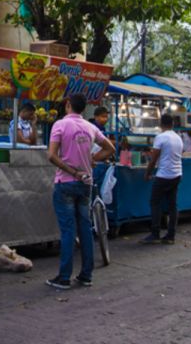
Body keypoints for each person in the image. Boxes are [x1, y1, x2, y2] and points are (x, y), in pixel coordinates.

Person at [46, 94, 114, 290]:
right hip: (85, 184)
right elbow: (110, 148)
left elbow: (51, 155)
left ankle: (64, 277)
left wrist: (71, 170)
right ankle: (86, 275)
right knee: (85, 229)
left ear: (68, 105)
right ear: (84, 109)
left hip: (65, 183)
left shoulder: (60, 125)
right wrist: (93, 159)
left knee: (68, 230)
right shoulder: (90, 127)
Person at [140, 113, 184, 245]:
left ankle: (155, 233)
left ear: (161, 124)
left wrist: (147, 173)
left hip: (164, 175)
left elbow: (153, 159)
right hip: (177, 174)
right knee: (172, 205)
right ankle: (171, 235)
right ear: (172, 124)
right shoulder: (178, 138)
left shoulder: (160, 137)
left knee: (155, 203)